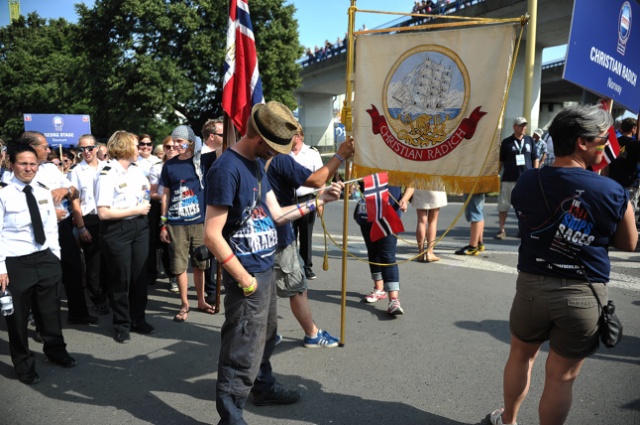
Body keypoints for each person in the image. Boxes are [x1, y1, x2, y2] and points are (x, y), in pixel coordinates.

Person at [489, 105, 637, 425]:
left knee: (520, 357)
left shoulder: (528, 181)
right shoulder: (612, 191)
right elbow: (629, 243)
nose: (606, 146)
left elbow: (526, 219)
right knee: (561, 378)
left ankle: (509, 421)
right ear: (581, 143)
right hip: (583, 295)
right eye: (601, 140)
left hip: (531, 287)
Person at [203, 101, 344, 424]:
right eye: (275, 147)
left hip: (265, 268)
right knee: (241, 346)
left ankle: (263, 387)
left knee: (265, 336)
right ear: (259, 140)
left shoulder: (255, 164)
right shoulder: (226, 168)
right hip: (248, 275)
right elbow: (211, 235)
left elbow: (278, 215)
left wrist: (318, 200)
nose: (278, 154)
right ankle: (231, 416)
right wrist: (245, 279)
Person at [266, 131, 355, 347]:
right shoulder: (280, 159)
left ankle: (267, 332)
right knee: (297, 288)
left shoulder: (242, 157)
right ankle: (312, 334)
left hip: (262, 233)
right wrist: (340, 155)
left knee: (265, 287)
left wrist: (320, 199)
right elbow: (317, 180)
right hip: (278, 232)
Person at [0, 143, 77, 385]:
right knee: (18, 318)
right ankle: (23, 365)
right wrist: (1, 267)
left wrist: (55, 256)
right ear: (11, 164)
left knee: (50, 312)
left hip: (45, 258)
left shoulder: (44, 190)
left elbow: (50, 227)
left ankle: (56, 351)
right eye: (23, 163)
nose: (28, 168)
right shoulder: (3, 195)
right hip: (16, 262)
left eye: (33, 163)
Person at [95, 131, 154, 343]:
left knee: (139, 276)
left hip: (140, 227)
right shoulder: (107, 174)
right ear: (125, 148)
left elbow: (145, 193)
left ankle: (139, 319)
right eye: (136, 145)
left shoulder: (136, 171)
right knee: (121, 278)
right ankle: (122, 324)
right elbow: (103, 212)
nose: (140, 149)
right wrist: (135, 209)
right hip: (116, 230)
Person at [159, 125, 212, 321]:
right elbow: (164, 196)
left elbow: (223, 150)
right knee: (180, 266)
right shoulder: (169, 165)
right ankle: (184, 304)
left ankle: (201, 300)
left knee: (200, 264)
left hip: (199, 222)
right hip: (176, 224)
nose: (175, 144)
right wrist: (163, 223)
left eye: (180, 141)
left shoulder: (201, 162)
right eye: (174, 141)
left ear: (190, 142)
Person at [68, 134, 110, 315]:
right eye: (82, 149)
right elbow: (75, 201)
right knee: (93, 263)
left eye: (89, 148)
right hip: (89, 220)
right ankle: (97, 298)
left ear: (97, 148)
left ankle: (109, 295)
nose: (86, 152)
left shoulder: (107, 167)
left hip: (108, 218)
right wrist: (81, 227)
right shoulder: (76, 171)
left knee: (109, 260)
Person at [357, 184, 413, 315]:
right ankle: (379, 288)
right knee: (373, 251)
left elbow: (411, 182)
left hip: (390, 212)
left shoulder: (399, 163)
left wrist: (405, 198)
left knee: (388, 255)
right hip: (368, 211)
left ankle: (393, 300)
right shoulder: (368, 163)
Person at [289, 126, 324, 280]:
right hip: (288, 200)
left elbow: (321, 178)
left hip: (307, 199)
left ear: (299, 136)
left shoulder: (312, 153)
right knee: (289, 236)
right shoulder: (284, 152)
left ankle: (306, 267)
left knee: (306, 235)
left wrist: (321, 201)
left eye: (291, 135)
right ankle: (290, 267)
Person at [495, 117, 539, 239]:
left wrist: (535, 173)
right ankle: (501, 230)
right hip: (509, 178)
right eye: (520, 125)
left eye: (525, 125)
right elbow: (501, 161)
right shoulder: (507, 142)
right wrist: (496, 175)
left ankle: (523, 229)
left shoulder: (530, 140)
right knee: (504, 205)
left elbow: (535, 157)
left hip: (526, 180)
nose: (523, 128)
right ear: (514, 126)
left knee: (525, 207)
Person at [149, 136, 179, 292]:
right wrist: (167, 197)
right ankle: (172, 276)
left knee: (180, 245)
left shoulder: (187, 165)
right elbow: (153, 193)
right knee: (167, 245)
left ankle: (179, 274)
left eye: (175, 146)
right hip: (163, 208)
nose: (172, 149)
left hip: (183, 209)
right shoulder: (156, 168)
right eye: (168, 147)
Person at [606, 117, 639, 220]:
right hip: (629, 184)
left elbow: (606, 163)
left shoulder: (612, 142)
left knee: (612, 209)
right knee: (628, 212)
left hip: (612, 181)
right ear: (633, 128)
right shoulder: (635, 145)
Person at [412, 189, 447, 262]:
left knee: (421, 221)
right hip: (435, 186)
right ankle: (429, 252)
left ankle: (420, 253)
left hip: (420, 186)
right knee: (433, 221)